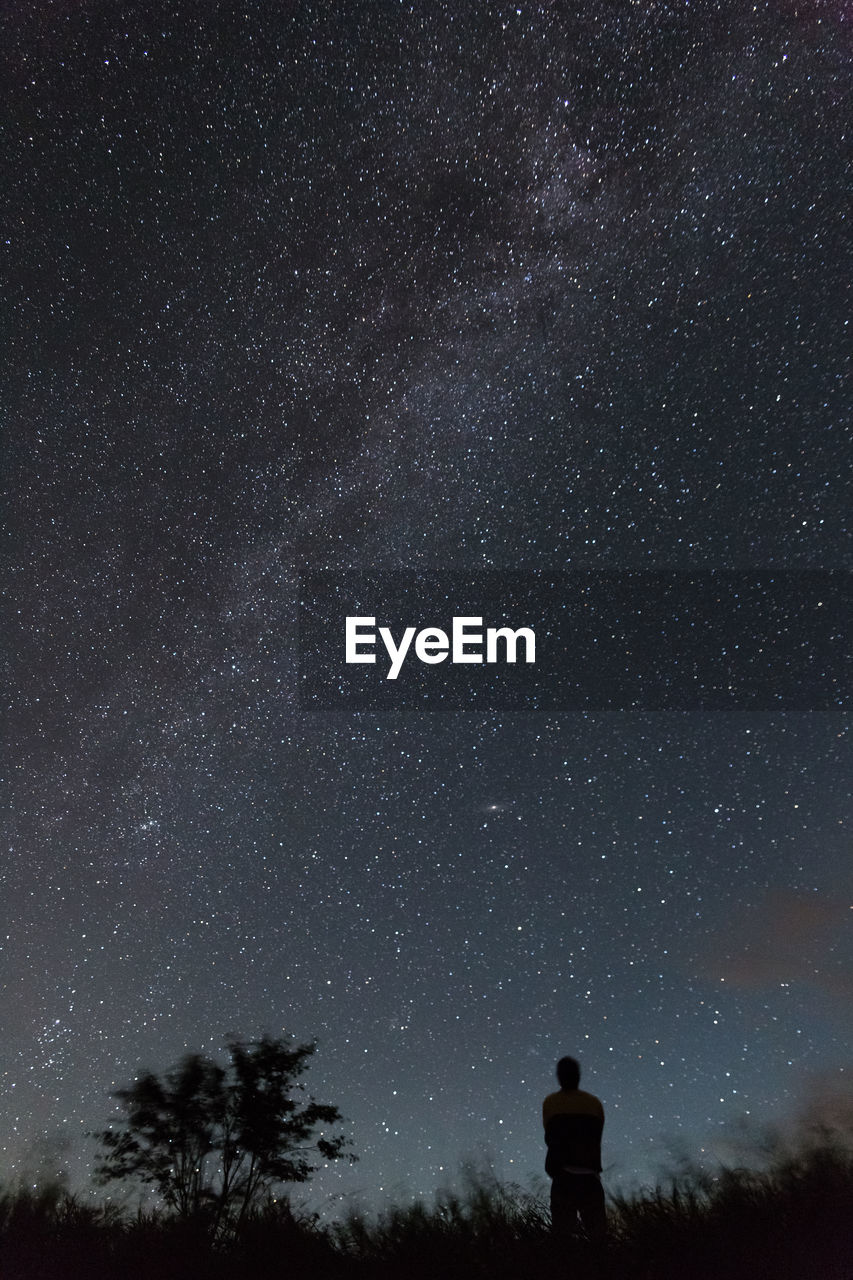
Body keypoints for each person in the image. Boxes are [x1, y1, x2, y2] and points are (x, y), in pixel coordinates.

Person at [542, 1055, 606, 1243]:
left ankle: (568, 1271)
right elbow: (597, 1136)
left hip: (563, 1177)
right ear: (578, 1075)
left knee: (562, 1236)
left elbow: (550, 1136)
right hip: (590, 1177)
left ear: (559, 1076)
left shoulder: (551, 1102)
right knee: (598, 1235)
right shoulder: (594, 1103)